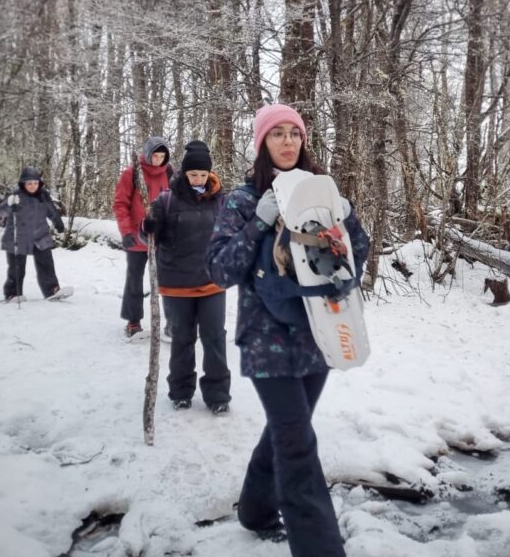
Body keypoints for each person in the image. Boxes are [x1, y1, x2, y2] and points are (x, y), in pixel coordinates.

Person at [207, 104, 369, 556]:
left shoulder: (320, 193)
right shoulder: (242, 201)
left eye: (294, 133)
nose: (288, 141)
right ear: (262, 143)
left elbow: (357, 255)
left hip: (319, 332)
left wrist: (347, 218)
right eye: (277, 133)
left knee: (287, 431)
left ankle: (256, 510)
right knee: (297, 445)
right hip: (266, 341)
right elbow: (219, 271)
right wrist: (258, 223)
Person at [140, 140, 231, 414]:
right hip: (177, 284)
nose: (198, 179)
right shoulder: (166, 200)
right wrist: (148, 226)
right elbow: (147, 236)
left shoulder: (221, 201)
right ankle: (180, 391)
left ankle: (218, 395)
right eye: (193, 174)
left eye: (203, 174)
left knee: (215, 338)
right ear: (184, 173)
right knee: (182, 339)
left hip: (213, 282)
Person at [114, 136, 174, 338]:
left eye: (162, 156)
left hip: (162, 237)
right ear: (148, 155)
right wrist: (126, 232)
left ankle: (173, 322)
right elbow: (120, 204)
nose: (158, 160)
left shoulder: (169, 173)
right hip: (136, 237)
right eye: (155, 156)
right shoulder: (132, 174)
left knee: (168, 280)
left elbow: (175, 203)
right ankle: (133, 321)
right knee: (134, 279)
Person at [0, 166, 65, 300]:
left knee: (46, 264)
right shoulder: (15, 194)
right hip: (18, 236)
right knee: (17, 268)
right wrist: (10, 204)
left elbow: (51, 210)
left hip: (40, 235)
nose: (32, 186)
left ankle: (52, 290)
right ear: (23, 183)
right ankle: (13, 293)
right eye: (29, 183)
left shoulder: (43, 195)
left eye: (35, 183)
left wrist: (58, 222)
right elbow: (2, 211)